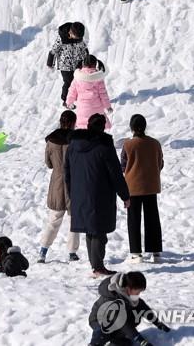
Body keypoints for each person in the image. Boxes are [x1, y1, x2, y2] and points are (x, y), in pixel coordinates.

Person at [65, 114, 130, 277]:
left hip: (79, 194)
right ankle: (98, 267)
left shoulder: (73, 145)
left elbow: (67, 170)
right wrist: (125, 195)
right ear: (102, 127)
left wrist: (72, 192)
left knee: (89, 230)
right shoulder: (104, 146)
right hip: (100, 194)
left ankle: (95, 265)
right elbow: (115, 173)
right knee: (99, 231)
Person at [38, 110, 80, 264]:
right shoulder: (75, 140)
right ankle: (72, 252)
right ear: (73, 123)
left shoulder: (51, 141)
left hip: (56, 183)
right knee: (74, 219)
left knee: (54, 219)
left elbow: (48, 164)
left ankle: (43, 250)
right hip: (73, 183)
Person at [121, 115, 164, 263]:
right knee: (152, 219)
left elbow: (123, 166)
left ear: (131, 128)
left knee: (133, 220)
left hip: (132, 187)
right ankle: (155, 251)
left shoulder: (128, 145)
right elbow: (161, 163)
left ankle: (136, 253)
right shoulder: (155, 143)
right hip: (151, 186)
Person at [88, 271, 171, 345]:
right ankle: (95, 343)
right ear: (129, 288)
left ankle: (117, 339)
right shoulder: (111, 298)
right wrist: (139, 339)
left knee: (135, 317)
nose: (138, 294)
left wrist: (157, 323)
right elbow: (120, 321)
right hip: (99, 320)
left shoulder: (128, 294)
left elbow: (142, 307)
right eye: (138, 291)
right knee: (104, 330)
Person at [66, 55, 113, 129]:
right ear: (95, 64)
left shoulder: (78, 78)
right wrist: (108, 106)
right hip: (97, 110)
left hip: (82, 109)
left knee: (83, 127)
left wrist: (69, 102)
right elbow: (103, 95)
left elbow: (71, 91)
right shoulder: (98, 78)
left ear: (83, 63)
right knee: (97, 126)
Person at [47, 21, 88, 106]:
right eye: (76, 37)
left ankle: (76, 96)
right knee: (68, 82)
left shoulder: (79, 38)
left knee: (78, 81)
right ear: (70, 32)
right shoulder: (62, 39)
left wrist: (87, 58)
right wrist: (50, 62)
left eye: (79, 38)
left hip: (77, 64)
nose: (77, 39)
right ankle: (66, 100)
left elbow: (84, 48)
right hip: (65, 66)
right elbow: (54, 50)